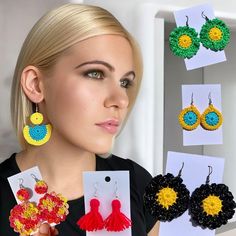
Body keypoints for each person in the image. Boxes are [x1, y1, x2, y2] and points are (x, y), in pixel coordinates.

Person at [0, 3, 159, 236]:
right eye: (95, 73)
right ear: (35, 84)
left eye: (125, 82)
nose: (121, 100)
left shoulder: (138, 182)